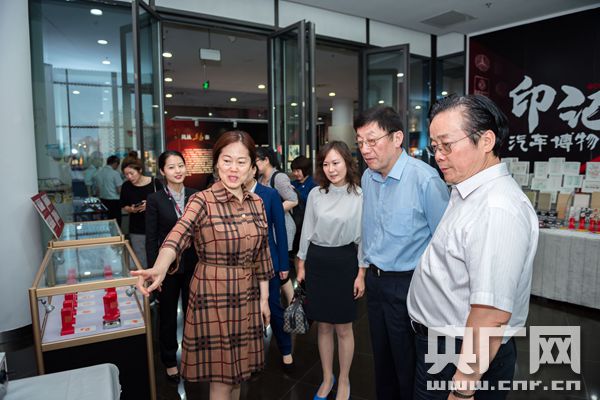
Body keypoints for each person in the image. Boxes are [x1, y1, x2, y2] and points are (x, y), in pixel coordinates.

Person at [407, 95, 539, 400]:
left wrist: (462, 390)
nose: (439, 156)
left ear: (486, 141)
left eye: (447, 145)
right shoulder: (468, 189)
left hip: (459, 354)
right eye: (435, 147)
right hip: (442, 344)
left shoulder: (496, 208)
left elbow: (491, 315)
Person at [132, 130, 273, 400]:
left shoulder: (257, 203)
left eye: (241, 162)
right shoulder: (202, 200)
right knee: (222, 378)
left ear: (252, 167)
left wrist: (264, 299)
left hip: (247, 293)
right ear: (216, 163)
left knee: (239, 375)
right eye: (227, 160)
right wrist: (159, 267)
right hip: (213, 293)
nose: (233, 168)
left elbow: (262, 255)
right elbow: (178, 235)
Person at [355, 106, 449, 400]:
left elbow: (444, 243)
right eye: (360, 142)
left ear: (397, 138)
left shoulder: (426, 180)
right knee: (381, 358)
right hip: (376, 281)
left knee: (407, 361)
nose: (365, 149)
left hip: (410, 283)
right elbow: (369, 228)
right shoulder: (368, 178)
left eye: (372, 140)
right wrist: (363, 269)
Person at [296, 141, 366, 400]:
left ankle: (344, 379)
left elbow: (364, 238)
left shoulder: (359, 195)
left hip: (345, 261)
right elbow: (307, 230)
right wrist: (301, 263)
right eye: (325, 164)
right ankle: (327, 378)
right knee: (323, 326)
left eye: (336, 163)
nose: (331, 169)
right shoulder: (316, 194)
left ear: (347, 162)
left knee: (344, 328)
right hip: (317, 262)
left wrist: (361, 273)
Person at [145, 150, 198, 383]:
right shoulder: (155, 199)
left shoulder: (196, 195)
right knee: (167, 315)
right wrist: (153, 271)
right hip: (167, 268)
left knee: (192, 313)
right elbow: (151, 238)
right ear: (162, 171)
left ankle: (191, 355)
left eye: (180, 165)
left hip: (194, 264)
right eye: (171, 167)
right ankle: (169, 360)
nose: (177, 171)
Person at [243, 165, 295, 372]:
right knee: (246, 310)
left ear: (253, 170)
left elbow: (280, 230)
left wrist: (283, 264)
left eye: (243, 165)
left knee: (273, 307)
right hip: (241, 264)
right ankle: (251, 354)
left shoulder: (270, 194)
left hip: (268, 260)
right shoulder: (231, 194)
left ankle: (286, 349)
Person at [256, 147, 298, 304]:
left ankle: (294, 306)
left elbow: (293, 199)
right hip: (269, 228)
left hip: (282, 227)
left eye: (256, 161)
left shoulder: (279, 177)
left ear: (266, 160)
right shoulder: (261, 179)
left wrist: (273, 210)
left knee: (281, 270)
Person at [120, 156, 162, 268]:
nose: (129, 177)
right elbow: (124, 206)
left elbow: (164, 202)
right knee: (141, 260)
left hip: (156, 227)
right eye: (126, 174)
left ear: (140, 170)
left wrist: (150, 204)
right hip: (137, 229)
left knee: (158, 258)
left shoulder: (155, 183)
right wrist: (132, 209)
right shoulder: (126, 186)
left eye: (131, 173)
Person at [94, 155, 124, 226]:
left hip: (103, 201)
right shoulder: (115, 174)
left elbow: (97, 190)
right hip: (114, 202)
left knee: (106, 222)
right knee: (116, 223)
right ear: (115, 163)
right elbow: (119, 190)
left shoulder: (98, 173)